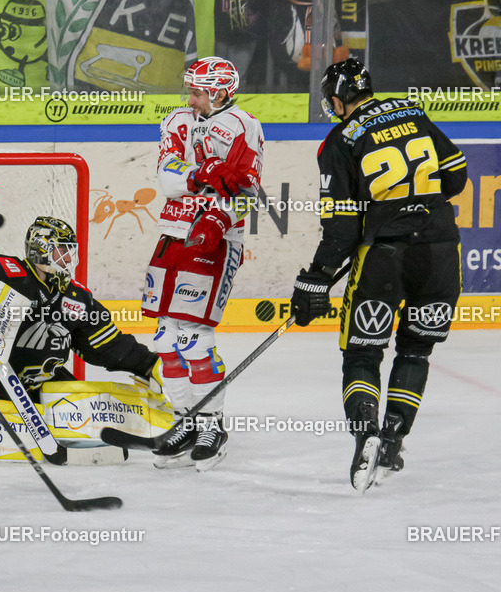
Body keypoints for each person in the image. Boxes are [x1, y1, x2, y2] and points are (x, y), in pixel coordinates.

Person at [290, 58, 467, 492]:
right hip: (441, 249)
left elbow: (342, 228)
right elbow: (457, 175)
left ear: (337, 98)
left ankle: (365, 432)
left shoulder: (338, 140)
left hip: (385, 256)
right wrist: (414, 209)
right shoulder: (413, 113)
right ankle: (391, 441)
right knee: (416, 351)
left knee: (363, 353)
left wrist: (317, 276)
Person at [141, 56, 264, 471]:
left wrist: (217, 217)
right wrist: (205, 173)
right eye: (191, 90)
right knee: (164, 337)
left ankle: (212, 424)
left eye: (197, 91)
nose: (190, 98)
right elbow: (168, 177)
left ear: (220, 92)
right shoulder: (177, 119)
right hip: (173, 230)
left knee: (194, 337)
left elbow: (246, 188)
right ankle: (185, 421)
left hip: (215, 238)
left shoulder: (245, 126)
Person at [0, 216, 165, 405]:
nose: (67, 259)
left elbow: (108, 346)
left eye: (69, 251)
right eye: (62, 250)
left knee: (83, 407)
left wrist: (149, 364)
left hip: (38, 389)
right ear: (41, 249)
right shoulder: (0, 271)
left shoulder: (76, 297)